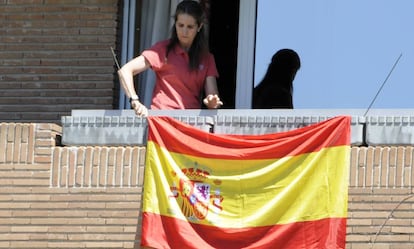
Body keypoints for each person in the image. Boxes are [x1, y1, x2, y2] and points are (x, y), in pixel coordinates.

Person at [118, 0, 223, 117]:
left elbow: (213, 98)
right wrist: (135, 101)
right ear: (175, 24)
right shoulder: (162, 50)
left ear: (199, 27)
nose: (184, 31)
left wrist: (212, 102)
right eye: (180, 25)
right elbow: (125, 71)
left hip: (190, 122)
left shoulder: (206, 58)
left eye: (190, 27)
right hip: (162, 120)